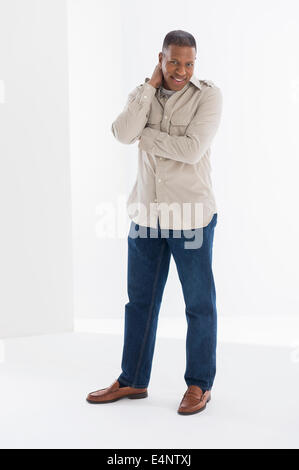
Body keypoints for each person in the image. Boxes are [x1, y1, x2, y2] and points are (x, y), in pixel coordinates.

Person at [86, 30, 223, 415]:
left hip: (192, 217)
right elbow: (121, 133)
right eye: (174, 61)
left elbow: (193, 149)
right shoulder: (142, 93)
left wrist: (146, 137)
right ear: (160, 59)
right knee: (140, 303)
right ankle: (133, 379)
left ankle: (199, 384)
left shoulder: (208, 96)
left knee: (199, 304)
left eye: (189, 63)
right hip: (147, 215)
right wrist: (149, 88)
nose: (181, 70)